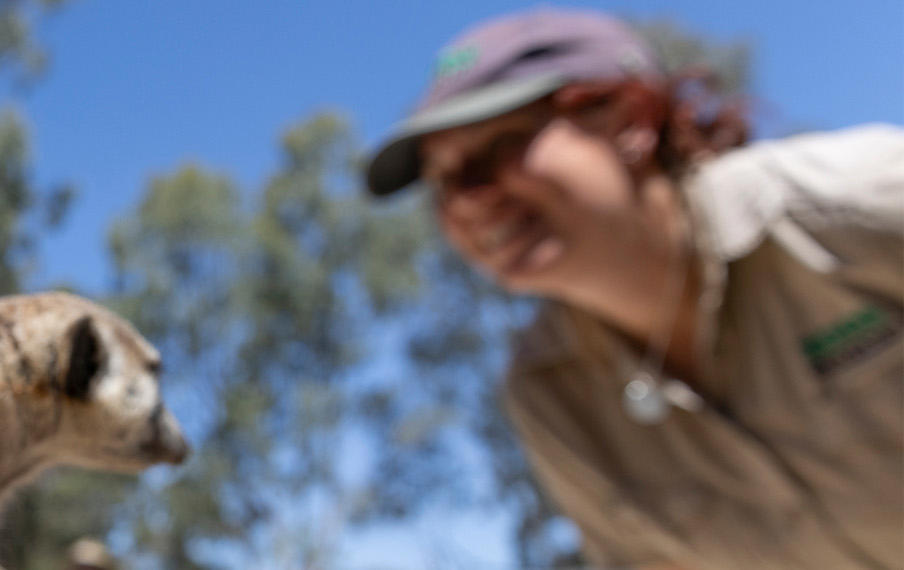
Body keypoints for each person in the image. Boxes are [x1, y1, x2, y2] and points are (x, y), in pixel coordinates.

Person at [364, 8, 903, 569]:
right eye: (444, 180)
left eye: (501, 145)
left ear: (630, 118)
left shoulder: (855, 204)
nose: (470, 196)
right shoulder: (550, 396)